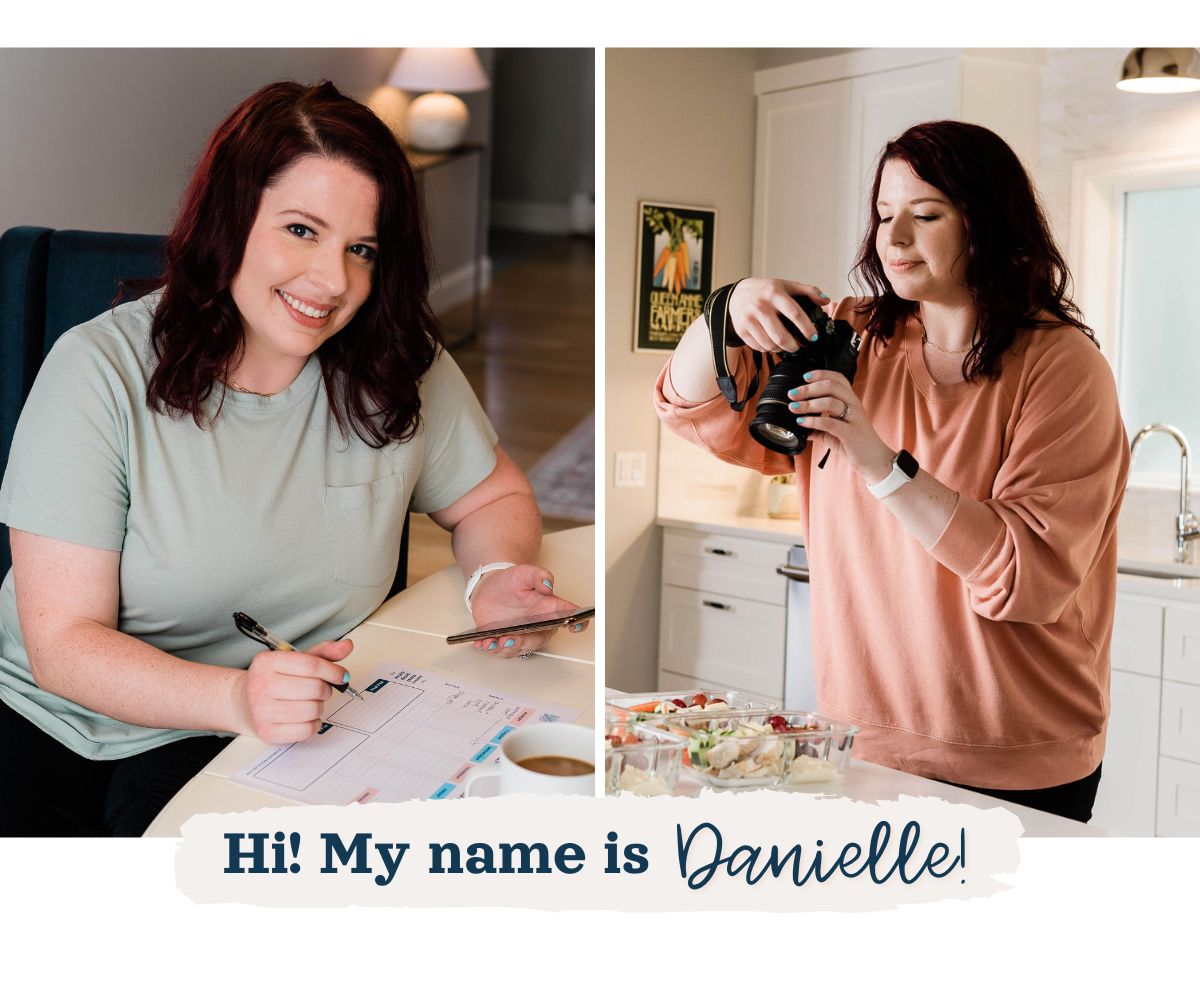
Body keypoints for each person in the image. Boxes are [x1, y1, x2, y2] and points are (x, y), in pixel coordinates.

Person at [0, 80, 582, 836]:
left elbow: (489, 498)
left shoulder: (397, 365)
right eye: (302, 230)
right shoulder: (95, 372)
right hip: (60, 723)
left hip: (284, 730)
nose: (333, 281)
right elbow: (64, 647)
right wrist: (237, 698)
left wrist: (495, 574)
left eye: (361, 249)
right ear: (231, 219)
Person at [656, 120, 1129, 823]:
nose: (895, 238)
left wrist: (876, 460)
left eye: (926, 215)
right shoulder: (853, 338)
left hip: (1013, 755)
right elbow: (690, 407)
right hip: (859, 739)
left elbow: (1026, 576)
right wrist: (723, 308)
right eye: (883, 215)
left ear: (987, 224)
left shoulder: (1061, 368)